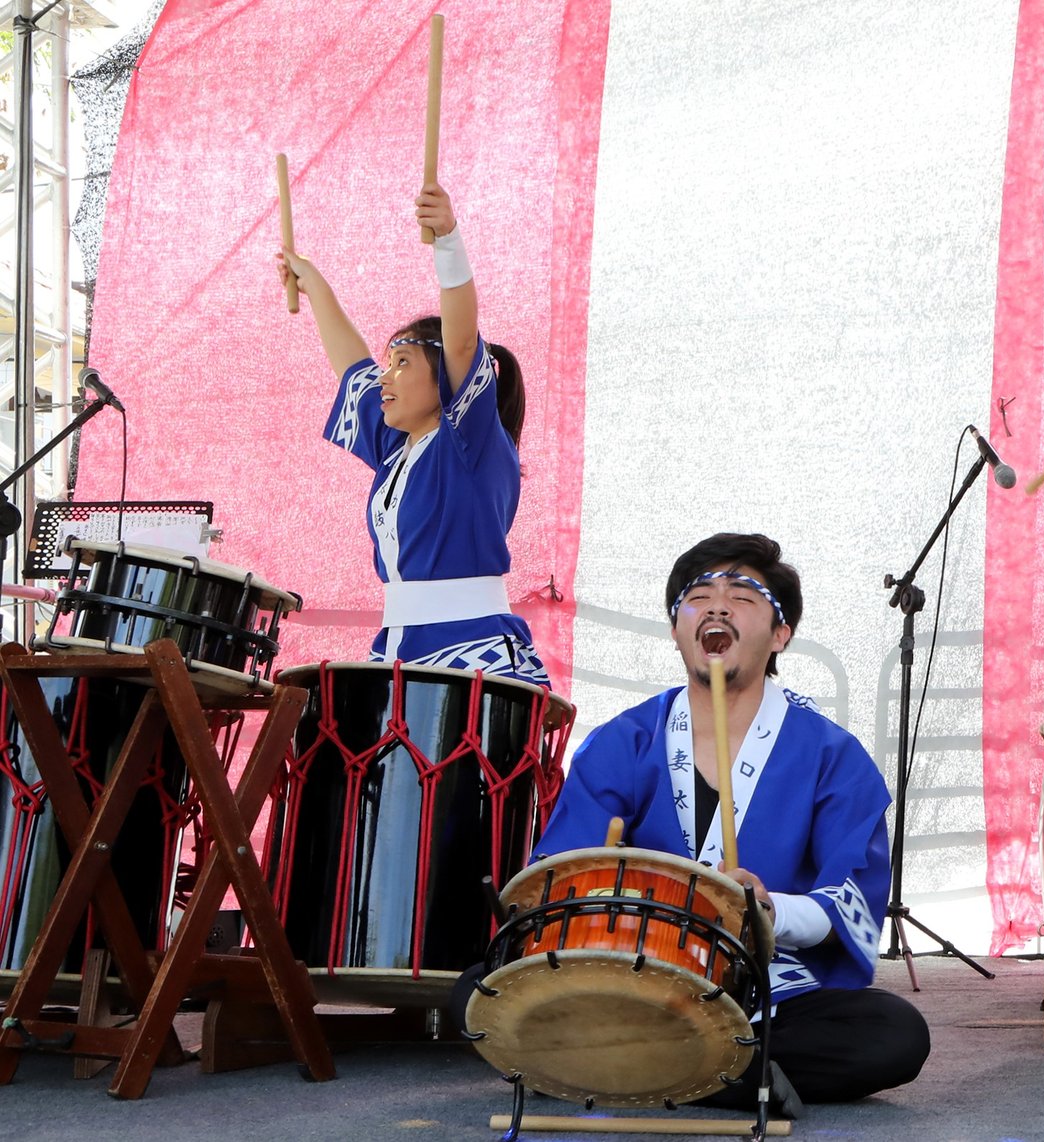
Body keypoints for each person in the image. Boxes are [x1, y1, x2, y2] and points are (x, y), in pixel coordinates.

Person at [534, 532, 929, 1111]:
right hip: (635, 970)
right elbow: (559, 874)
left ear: (780, 634)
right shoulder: (625, 741)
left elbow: (853, 903)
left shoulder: (830, 755)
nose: (717, 604)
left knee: (894, 1034)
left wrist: (771, 911)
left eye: (743, 596)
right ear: (676, 631)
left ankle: (645, 1067)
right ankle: (726, 1072)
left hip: (765, 988)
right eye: (697, 596)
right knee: (480, 986)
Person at [277, 184, 548, 685]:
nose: (385, 377)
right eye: (389, 363)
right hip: (398, 649)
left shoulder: (468, 440)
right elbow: (353, 368)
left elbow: (463, 337)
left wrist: (448, 237)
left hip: (473, 650)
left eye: (402, 363)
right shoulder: (397, 449)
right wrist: (314, 283)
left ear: (447, 376)